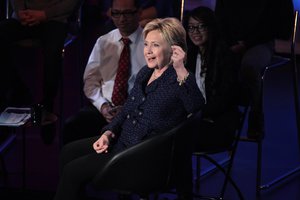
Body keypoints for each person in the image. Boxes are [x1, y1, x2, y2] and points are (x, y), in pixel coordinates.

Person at [53, 17, 204, 200]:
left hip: (141, 156)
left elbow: (196, 107)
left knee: (72, 171)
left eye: (155, 45)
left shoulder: (178, 80)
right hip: (123, 142)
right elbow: (127, 109)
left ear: (174, 49)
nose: (147, 51)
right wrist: (108, 133)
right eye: (146, 44)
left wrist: (181, 69)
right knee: (68, 152)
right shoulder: (146, 72)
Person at [62, 0, 146, 145]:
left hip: (137, 111)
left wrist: (129, 109)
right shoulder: (103, 41)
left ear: (138, 13)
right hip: (107, 109)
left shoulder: (150, 42)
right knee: (73, 126)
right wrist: (103, 106)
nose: (122, 19)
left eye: (127, 13)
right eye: (116, 13)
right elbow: (90, 82)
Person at [215, 0, 294, 139]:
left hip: (261, 42)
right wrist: (230, 43)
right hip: (229, 42)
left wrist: (246, 43)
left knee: (249, 66)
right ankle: (214, 116)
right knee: (214, 60)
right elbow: (220, 18)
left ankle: (255, 115)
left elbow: (280, 26)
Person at [0, 0, 80, 116]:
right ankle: (18, 90)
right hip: (23, 18)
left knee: (53, 50)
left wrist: (45, 14)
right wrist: (20, 12)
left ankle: (47, 104)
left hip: (55, 19)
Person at [184, 6, 240, 151]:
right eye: (191, 27)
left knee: (175, 139)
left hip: (218, 124)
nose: (195, 32)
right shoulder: (189, 56)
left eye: (201, 26)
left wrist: (196, 114)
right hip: (194, 121)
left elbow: (225, 99)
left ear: (211, 28)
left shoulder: (225, 57)